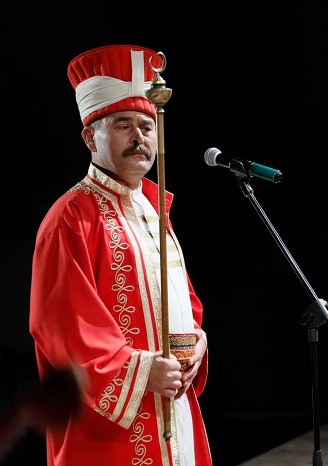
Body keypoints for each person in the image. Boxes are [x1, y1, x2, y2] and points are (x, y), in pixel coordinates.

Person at [28, 45, 212, 465]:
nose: (139, 138)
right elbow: (61, 328)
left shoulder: (154, 210)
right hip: (108, 426)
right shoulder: (70, 216)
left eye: (147, 126)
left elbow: (185, 304)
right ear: (90, 137)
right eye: (123, 125)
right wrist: (143, 370)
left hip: (170, 407)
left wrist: (197, 343)